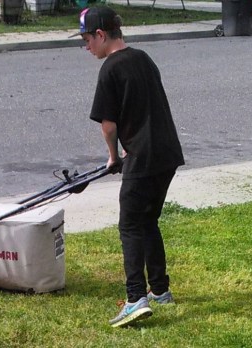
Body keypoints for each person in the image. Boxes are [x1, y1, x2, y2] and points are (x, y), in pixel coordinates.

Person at [72, 6, 185, 328]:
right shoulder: (142, 58)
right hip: (167, 153)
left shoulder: (110, 68)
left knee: (131, 225)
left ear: (101, 35)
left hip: (143, 154)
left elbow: (108, 125)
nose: (86, 46)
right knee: (148, 220)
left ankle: (136, 298)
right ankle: (161, 290)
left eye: (86, 39)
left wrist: (113, 157)